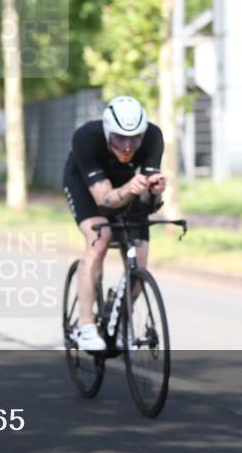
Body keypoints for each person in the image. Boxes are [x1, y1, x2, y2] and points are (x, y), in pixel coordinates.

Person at [62, 96, 166, 351]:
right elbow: (105, 199)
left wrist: (155, 191)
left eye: (135, 138)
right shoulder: (86, 137)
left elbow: (148, 201)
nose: (128, 146)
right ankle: (85, 326)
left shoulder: (153, 136)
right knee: (100, 238)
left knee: (140, 264)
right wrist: (132, 187)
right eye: (120, 138)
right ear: (108, 132)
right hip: (87, 188)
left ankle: (121, 319)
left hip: (127, 188)